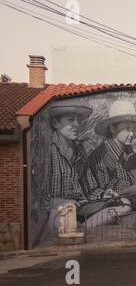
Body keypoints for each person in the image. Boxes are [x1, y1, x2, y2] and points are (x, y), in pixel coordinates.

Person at [39, 102, 107, 242]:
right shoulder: (48, 151)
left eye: (78, 120)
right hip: (59, 210)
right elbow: (41, 198)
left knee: (123, 205)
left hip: (81, 206)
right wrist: (60, 201)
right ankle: (78, 229)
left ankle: (81, 228)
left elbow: (90, 187)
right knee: (65, 216)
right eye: (70, 120)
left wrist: (104, 194)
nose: (77, 124)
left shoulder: (80, 150)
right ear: (56, 123)